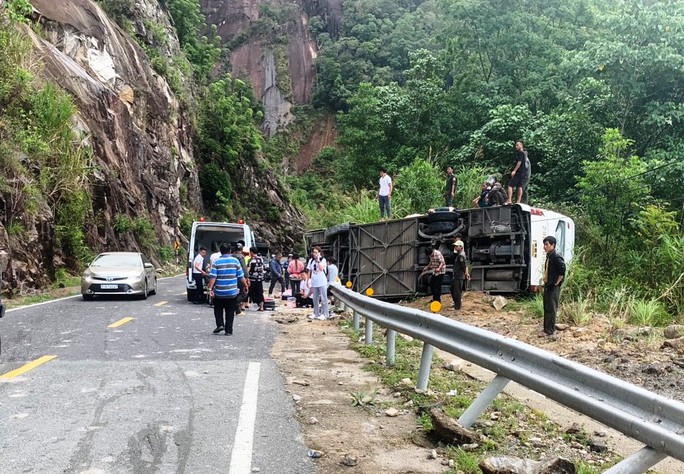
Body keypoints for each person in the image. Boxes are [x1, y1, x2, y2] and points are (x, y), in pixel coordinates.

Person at [207, 243, 247, 335]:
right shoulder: (235, 261)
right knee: (230, 311)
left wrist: (210, 289)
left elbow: (213, 277)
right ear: (230, 251)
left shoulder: (216, 262)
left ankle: (220, 324)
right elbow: (241, 276)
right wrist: (245, 285)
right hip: (232, 292)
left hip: (219, 292)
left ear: (220, 251)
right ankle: (228, 330)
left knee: (218, 309)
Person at [541, 236, 566, 338]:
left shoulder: (556, 257)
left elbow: (563, 269)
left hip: (553, 286)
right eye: (544, 244)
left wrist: (557, 282)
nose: (545, 247)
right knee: (547, 307)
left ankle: (549, 331)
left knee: (551, 308)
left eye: (547, 244)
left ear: (553, 245)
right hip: (548, 285)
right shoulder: (549, 256)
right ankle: (547, 328)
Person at [307, 246, 329, 320]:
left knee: (323, 298)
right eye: (313, 252)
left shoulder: (323, 260)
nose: (314, 254)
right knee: (315, 298)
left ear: (319, 253)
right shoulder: (311, 261)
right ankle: (316, 313)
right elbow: (309, 270)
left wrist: (318, 260)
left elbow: (321, 268)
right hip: (314, 281)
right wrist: (308, 280)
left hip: (322, 281)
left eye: (316, 252)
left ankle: (324, 314)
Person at [451, 240, 470, 310]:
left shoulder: (461, 256)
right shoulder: (459, 254)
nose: (455, 247)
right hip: (456, 275)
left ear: (461, 247)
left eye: (457, 246)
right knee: (453, 289)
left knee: (457, 291)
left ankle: (457, 307)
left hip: (459, 276)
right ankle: (456, 304)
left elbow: (464, 266)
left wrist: (466, 273)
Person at [248, 247, 265, 311]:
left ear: (251, 252)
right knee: (260, 292)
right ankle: (261, 307)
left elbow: (248, 270)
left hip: (252, 279)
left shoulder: (251, 260)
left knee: (250, 292)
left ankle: (244, 305)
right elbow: (263, 268)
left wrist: (246, 277)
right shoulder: (261, 259)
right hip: (259, 278)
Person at [233, 244, 249, 313]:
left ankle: (235, 307)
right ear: (242, 250)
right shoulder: (241, 257)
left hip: (232, 277)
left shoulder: (232, 257)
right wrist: (246, 277)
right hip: (240, 278)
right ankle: (236, 307)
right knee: (243, 293)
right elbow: (244, 269)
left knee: (234, 292)